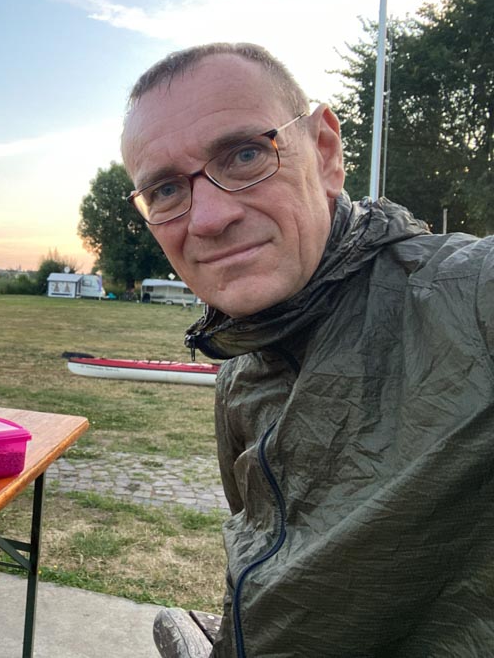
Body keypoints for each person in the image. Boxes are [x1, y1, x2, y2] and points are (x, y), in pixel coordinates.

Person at [120, 42, 494, 658]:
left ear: (324, 152)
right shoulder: (238, 372)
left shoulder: (468, 294)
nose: (207, 218)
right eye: (164, 190)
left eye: (245, 155)